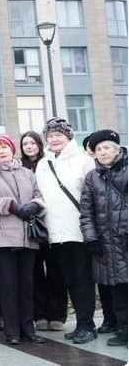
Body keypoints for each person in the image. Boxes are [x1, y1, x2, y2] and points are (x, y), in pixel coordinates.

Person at [0, 134, 47, 346]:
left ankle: (28, 328)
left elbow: (39, 194)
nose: (1, 151)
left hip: (27, 237)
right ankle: (12, 331)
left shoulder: (26, 172)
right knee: (8, 286)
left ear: (12, 149)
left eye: (4, 146)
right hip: (1, 239)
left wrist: (34, 205)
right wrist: (12, 205)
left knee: (26, 285)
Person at [35, 117, 98, 344]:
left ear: (68, 136)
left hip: (80, 231)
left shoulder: (83, 161)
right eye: (50, 136)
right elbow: (39, 194)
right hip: (56, 233)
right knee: (69, 279)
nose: (54, 139)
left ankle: (87, 324)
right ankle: (81, 324)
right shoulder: (44, 163)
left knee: (83, 279)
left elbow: (92, 196)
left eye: (58, 135)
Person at [81, 130, 128, 346]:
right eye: (98, 149)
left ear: (117, 149)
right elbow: (86, 211)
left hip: (125, 238)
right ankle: (124, 330)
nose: (103, 152)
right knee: (118, 288)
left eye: (107, 147)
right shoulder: (92, 177)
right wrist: (91, 238)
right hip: (106, 242)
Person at [21, 131, 67, 332]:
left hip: (52, 223)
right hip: (30, 225)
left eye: (32, 143)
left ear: (40, 145)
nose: (29, 146)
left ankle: (57, 314)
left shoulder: (50, 163)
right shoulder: (20, 167)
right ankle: (39, 314)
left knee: (56, 270)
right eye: (25, 143)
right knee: (35, 272)